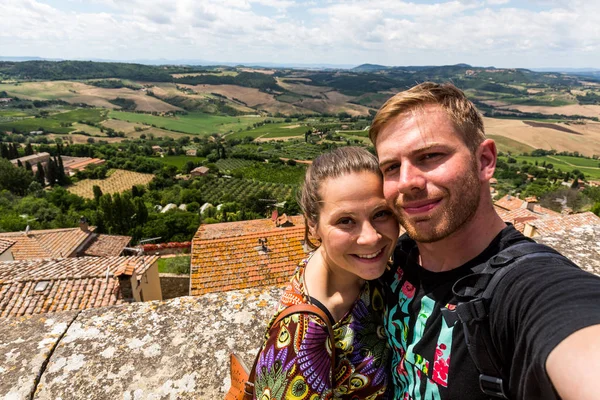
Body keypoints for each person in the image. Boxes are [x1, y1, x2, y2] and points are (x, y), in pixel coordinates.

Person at [369, 82, 600, 400]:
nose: (407, 182)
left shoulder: (522, 287)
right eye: (392, 167)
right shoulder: (395, 258)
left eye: (430, 156)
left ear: (485, 160)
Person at [253, 146, 399, 399]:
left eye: (381, 213)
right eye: (345, 221)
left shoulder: (367, 274)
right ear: (313, 224)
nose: (371, 237)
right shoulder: (303, 335)